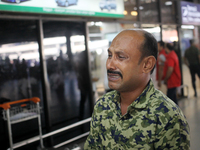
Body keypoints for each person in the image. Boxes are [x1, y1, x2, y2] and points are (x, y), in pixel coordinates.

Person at [84, 29, 190, 149]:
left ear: (147, 64)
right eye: (110, 55)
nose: (109, 65)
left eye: (121, 57)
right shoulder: (102, 105)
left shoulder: (167, 117)